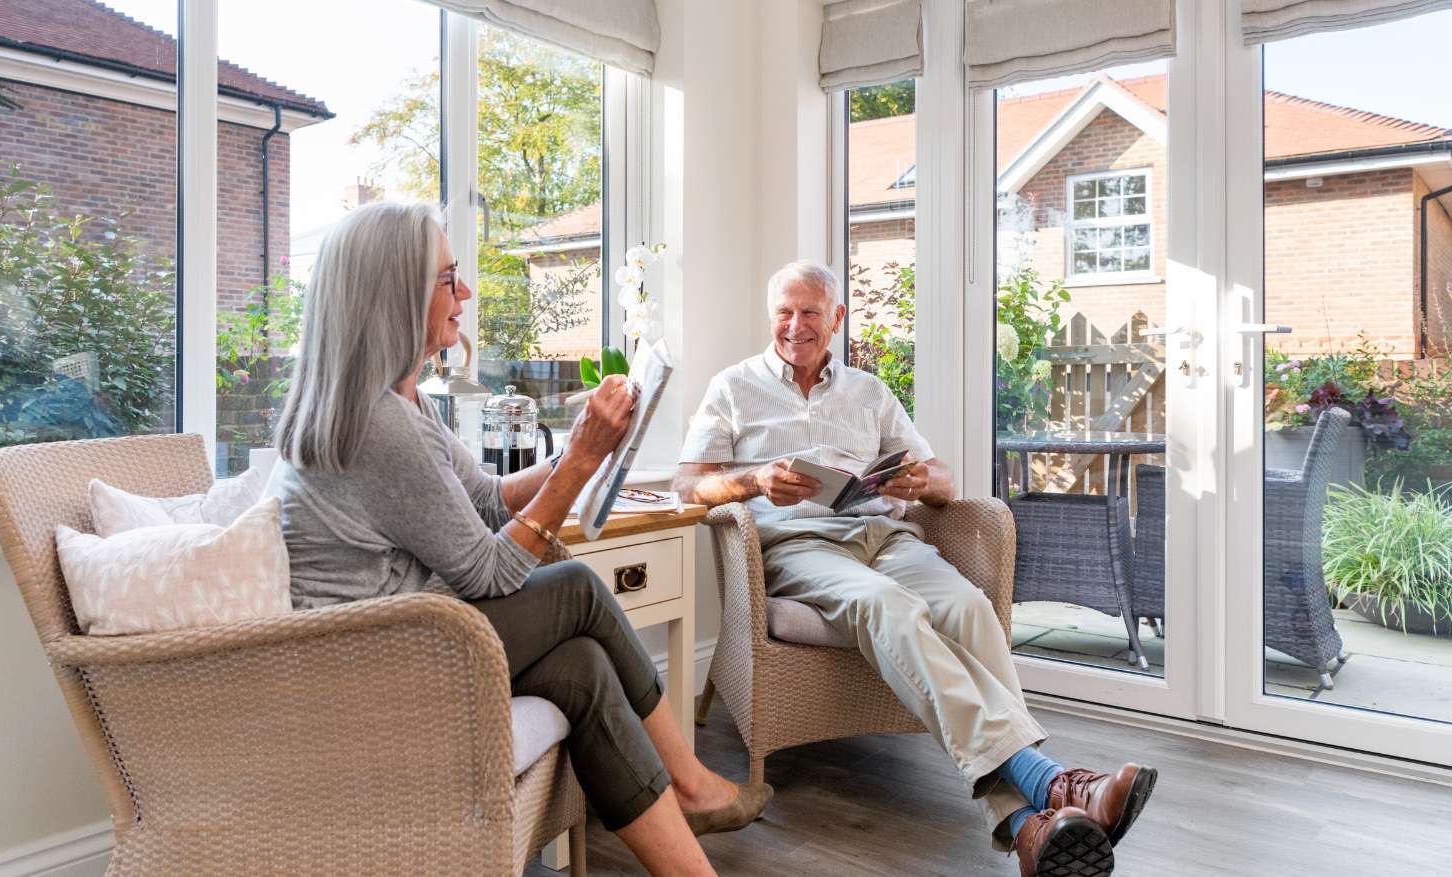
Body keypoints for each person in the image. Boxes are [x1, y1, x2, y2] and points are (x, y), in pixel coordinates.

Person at [270, 201, 770, 876]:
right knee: (576, 589)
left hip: (401, 637)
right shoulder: (377, 424)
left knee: (583, 669)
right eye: (448, 277)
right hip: (368, 671)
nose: (465, 293)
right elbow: (488, 573)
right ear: (396, 293)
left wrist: (580, 445)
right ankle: (689, 783)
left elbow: (487, 496)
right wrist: (583, 462)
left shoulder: (401, 401)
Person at [672, 260, 1157, 877]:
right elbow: (688, 484)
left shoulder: (868, 392)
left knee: (968, 607)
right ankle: (1057, 784)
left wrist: (918, 480)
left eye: (810, 313)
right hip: (800, 547)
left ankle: (1026, 826)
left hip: (883, 535)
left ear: (837, 318)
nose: (795, 326)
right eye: (784, 313)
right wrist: (752, 480)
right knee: (887, 606)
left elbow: (943, 479)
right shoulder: (733, 387)